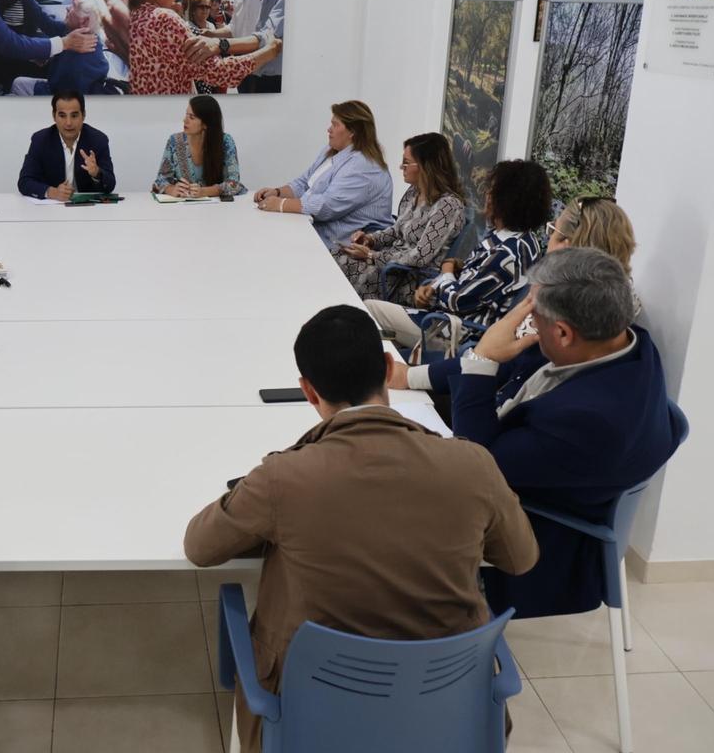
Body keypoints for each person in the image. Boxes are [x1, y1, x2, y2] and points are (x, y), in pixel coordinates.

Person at [184, 305, 539, 753]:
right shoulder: (472, 465)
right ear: (389, 368)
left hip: (311, 719)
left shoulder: (284, 479)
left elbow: (199, 546)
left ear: (308, 391)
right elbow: (521, 557)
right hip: (445, 714)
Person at [395, 249, 683, 619]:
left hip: (536, 529)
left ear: (563, 333)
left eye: (532, 314)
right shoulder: (617, 339)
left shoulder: (593, 422)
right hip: (517, 456)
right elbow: (510, 357)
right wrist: (409, 377)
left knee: (382, 498)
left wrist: (482, 359)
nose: (524, 321)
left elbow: (479, 468)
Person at [395, 194, 641, 394]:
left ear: (566, 244)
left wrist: (410, 376)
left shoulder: (553, 306)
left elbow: (494, 364)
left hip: (481, 392)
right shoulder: (620, 312)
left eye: (552, 230)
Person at [364, 159, 552, 349]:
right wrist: (433, 286)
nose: (486, 194)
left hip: (458, 335)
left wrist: (445, 273)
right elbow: (470, 281)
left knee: (370, 310)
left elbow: (457, 300)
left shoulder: (505, 254)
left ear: (507, 200)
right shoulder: (523, 241)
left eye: (492, 190)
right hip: (450, 318)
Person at [335, 133, 466, 303]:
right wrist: (370, 239)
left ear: (425, 166)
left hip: (408, 279)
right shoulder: (414, 192)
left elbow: (419, 257)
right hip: (389, 265)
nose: (400, 167)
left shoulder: (448, 206)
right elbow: (396, 231)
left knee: (341, 265)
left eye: (406, 162)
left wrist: (372, 256)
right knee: (337, 253)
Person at [125, 0, 282, 95]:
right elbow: (220, 72)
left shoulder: (131, 19)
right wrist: (268, 52)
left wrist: (213, 37)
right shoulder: (164, 19)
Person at [254, 100, 394, 250]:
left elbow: (327, 207)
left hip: (344, 244)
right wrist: (278, 192)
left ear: (353, 132)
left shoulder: (364, 166)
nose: (329, 129)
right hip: (318, 230)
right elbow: (304, 182)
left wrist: (281, 204)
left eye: (335, 125)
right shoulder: (332, 151)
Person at [179, 0, 285, 93]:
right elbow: (234, 28)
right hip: (247, 68)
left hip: (271, 78)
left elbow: (266, 38)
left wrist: (220, 44)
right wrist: (212, 34)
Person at [17, 89, 117, 201]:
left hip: (88, 211)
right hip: (51, 211)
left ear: (83, 115)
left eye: (74, 116)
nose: (68, 123)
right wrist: (52, 192)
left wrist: (96, 173)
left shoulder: (98, 140)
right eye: (62, 116)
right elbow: (24, 182)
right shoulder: (40, 140)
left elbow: (110, 184)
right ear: (54, 116)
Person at [152, 95, 246, 198]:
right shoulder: (175, 142)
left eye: (191, 117)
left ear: (206, 124)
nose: (185, 120)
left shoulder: (226, 142)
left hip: (218, 209)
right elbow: (160, 181)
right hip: (182, 209)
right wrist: (171, 189)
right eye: (186, 115)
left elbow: (234, 184)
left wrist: (205, 192)